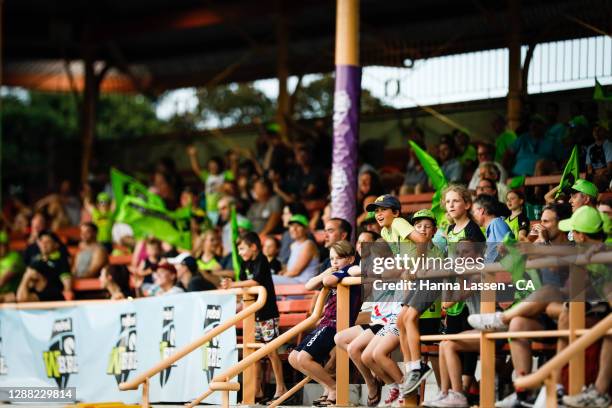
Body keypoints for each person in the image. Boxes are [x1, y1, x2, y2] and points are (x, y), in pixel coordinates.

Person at [289, 240, 360, 406]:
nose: (334, 262)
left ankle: (336, 388)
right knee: (293, 357)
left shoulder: (350, 269)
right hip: (325, 322)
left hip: (336, 323)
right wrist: (325, 273)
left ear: (350, 259)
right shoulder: (334, 272)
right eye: (331, 258)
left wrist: (331, 275)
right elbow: (309, 285)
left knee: (304, 358)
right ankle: (328, 387)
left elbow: (330, 282)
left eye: (338, 258)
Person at [220, 232, 287, 402]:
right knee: (254, 353)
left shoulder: (262, 260)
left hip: (268, 313)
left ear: (254, 247)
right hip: (253, 315)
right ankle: (255, 390)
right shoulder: (244, 263)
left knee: (271, 351)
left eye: (242, 248)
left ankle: (281, 387)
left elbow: (256, 282)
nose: (240, 252)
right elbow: (243, 283)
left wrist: (232, 284)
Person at [557, 206, 611, 408]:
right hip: (602, 311)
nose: (570, 236)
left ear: (581, 236)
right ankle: (559, 386)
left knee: (609, 331)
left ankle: (599, 392)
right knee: (567, 313)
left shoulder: (604, 250)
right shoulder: (590, 252)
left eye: (573, 232)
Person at [397, 209, 443, 396]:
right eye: (418, 226)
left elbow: (429, 274)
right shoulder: (410, 249)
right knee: (401, 322)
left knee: (433, 353)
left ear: (434, 230)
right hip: (413, 306)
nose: (422, 229)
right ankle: (411, 370)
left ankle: (442, 390)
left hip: (430, 312)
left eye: (427, 226)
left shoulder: (438, 252)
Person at [187, 145, 234, 222]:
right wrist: (193, 156)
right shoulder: (207, 176)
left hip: (222, 208)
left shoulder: (224, 175)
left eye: (215, 166)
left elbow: (233, 174)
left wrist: (234, 161)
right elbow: (196, 169)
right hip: (210, 209)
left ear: (219, 166)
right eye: (210, 166)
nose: (213, 168)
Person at [26, 230, 73, 300]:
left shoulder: (61, 260)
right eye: (42, 241)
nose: (44, 245)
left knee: (24, 298)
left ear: (56, 245)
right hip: (33, 291)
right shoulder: (36, 260)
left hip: (51, 295)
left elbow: (67, 285)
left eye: (47, 242)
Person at [272, 215, 319, 285]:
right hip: (293, 282)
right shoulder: (293, 245)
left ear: (306, 229)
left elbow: (295, 272)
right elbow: (289, 269)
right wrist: (283, 272)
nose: (293, 229)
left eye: (298, 226)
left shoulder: (308, 244)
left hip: (303, 285)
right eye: (291, 226)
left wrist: (281, 277)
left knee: (266, 278)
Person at [471, 194, 514, 262]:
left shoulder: (496, 223)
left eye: (473, 212)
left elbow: (506, 250)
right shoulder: (492, 227)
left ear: (481, 211)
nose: (473, 215)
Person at [586, 121, 612, 192]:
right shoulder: (590, 148)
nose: (596, 132)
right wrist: (594, 173)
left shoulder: (609, 145)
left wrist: (601, 171)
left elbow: (610, 168)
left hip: (606, 176)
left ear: (604, 132)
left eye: (599, 130)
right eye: (594, 130)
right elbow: (589, 169)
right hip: (594, 176)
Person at [0, 231, 24, 302]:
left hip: (12, 295)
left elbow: (2, 281)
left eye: (1, 245)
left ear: (7, 246)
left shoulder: (15, 257)